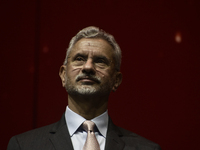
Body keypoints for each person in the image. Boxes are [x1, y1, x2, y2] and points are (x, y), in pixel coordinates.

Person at [7, 26, 161, 150]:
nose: (88, 67)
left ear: (116, 80)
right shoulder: (24, 146)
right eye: (79, 59)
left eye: (100, 61)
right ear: (63, 75)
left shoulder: (146, 148)